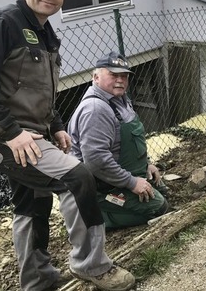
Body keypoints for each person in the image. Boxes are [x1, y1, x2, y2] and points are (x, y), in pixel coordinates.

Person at [0, 0, 135, 291]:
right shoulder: (0, 23)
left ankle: (37, 280)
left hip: (32, 133)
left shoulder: (46, 34)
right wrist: (11, 133)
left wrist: (56, 125)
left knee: (33, 201)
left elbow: (41, 89)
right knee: (77, 178)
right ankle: (92, 265)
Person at [68, 51, 169, 229]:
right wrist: (131, 183)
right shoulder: (95, 110)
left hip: (120, 173)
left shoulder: (121, 99)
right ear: (96, 77)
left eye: (124, 76)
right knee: (158, 208)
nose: (120, 80)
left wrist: (146, 164)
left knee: (162, 191)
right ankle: (92, 215)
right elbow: (96, 160)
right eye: (114, 75)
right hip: (101, 186)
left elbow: (131, 141)